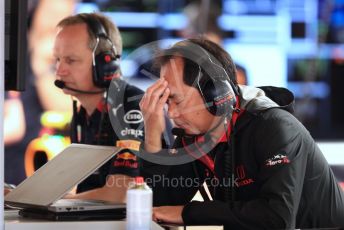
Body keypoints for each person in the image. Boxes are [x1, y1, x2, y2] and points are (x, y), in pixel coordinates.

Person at [139, 38, 344, 229]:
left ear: (216, 93)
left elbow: (277, 219)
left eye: (178, 100)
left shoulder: (275, 126)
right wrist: (152, 135)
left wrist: (189, 212)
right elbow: (160, 208)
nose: (172, 113)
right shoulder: (194, 135)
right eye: (166, 102)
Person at [53, 13, 144, 202]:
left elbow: (120, 194)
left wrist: (52, 202)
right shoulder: (82, 115)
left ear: (105, 63)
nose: (59, 70)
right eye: (57, 59)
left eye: (71, 60)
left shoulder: (131, 107)